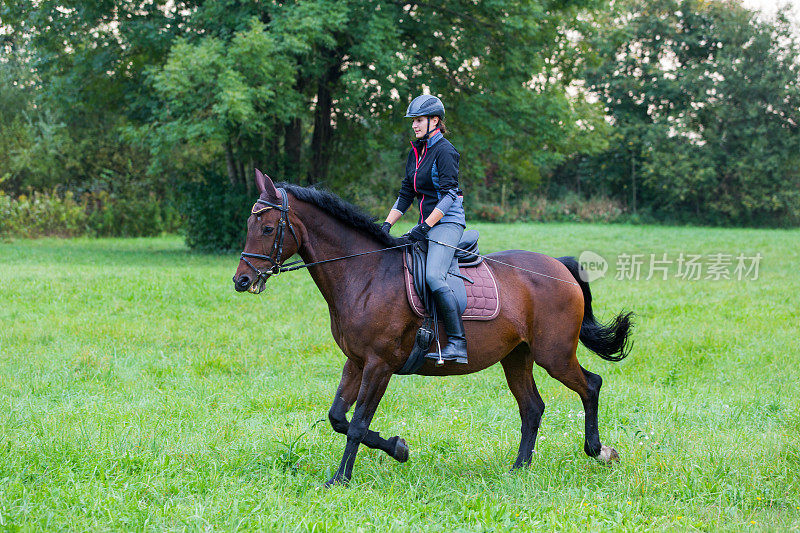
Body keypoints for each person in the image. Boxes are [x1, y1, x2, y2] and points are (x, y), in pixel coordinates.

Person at [381, 94, 467, 364]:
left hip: (447, 223)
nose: (414, 125)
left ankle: (457, 343)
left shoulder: (445, 151)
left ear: (435, 121)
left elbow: (450, 194)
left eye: (419, 120)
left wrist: (425, 226)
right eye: (413, 121)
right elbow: (406, 193)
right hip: (426, 225)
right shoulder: (416, 152)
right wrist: (386, 225)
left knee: (433, 277)